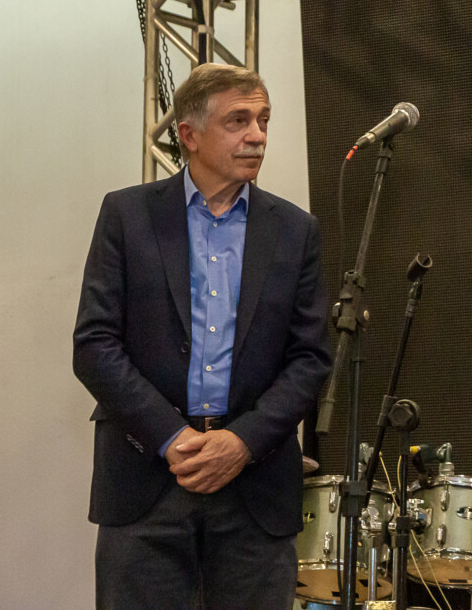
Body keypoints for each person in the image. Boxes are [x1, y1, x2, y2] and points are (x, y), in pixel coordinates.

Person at [73, 63, 332, 610]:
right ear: (189, 135)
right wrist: (173, 438)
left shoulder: (295, 230)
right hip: (145, 479)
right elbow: (95, 345)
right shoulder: (127, 214)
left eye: (263, 120)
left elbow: (310, 358)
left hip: (254, 489)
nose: (257, 135)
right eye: (238, 120)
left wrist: (241, 443)